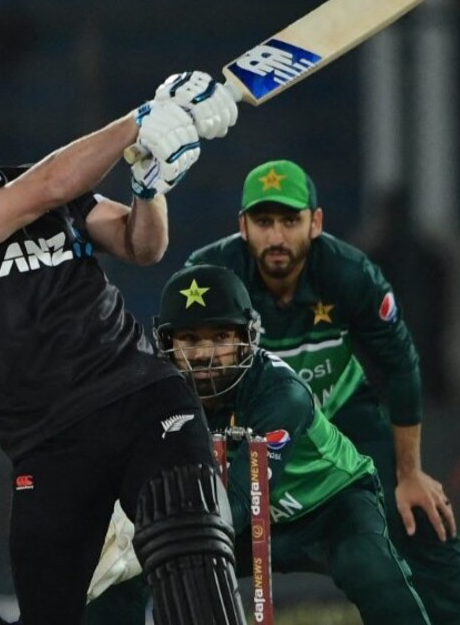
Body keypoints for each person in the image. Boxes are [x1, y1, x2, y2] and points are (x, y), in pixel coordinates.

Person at [0, 59, 248, 625]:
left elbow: (141, 245)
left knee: (192, 547)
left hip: (142, 397)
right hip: (47, 439)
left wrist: (149, 185)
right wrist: (143, 118)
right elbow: (49, 186)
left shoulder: (45, 185)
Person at [185, 160, 460, 624]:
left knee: (418, 518)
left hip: (341, 418)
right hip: (244, 430)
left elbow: (400, 365)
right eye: (263, 222)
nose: (276, 237)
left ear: (315, 223)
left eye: (290, 221)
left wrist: (409, 473)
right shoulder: (209, 277)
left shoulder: (348, 273)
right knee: (177, 534)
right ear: (242, 226)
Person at [83, 264, 432, 625]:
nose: (204, 354)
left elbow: (241, 499)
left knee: (371, 568)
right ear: (167, 343)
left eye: (220, 337)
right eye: (189, 338)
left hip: (327, 508)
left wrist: (159, 536)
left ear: (248, 338)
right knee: (117, 576)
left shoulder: (281, 393)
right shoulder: (154, 394)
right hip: (226, 516)